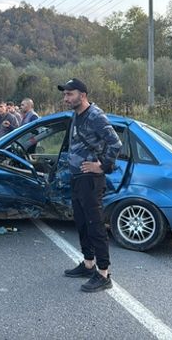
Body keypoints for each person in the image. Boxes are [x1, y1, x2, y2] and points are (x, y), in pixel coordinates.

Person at [58, 78, 121, 293]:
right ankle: (88, 264)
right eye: (65, 94)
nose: (66, 98)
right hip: (77, 177)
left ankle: (103, 274)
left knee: (95, 225)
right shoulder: (77, 115)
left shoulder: (95, 116)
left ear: (82, 95)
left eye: (70, 94)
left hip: (91, 180)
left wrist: (102, 166)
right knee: (82, 223)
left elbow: (115, 143)